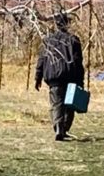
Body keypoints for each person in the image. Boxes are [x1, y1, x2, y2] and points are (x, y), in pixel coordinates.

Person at [34, 13, 85, 141]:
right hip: (70, 75)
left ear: (56, 25)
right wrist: (81, 81)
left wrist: (38, 77)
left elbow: (41, 60)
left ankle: (58, 128)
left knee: (56, 104)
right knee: (70, 104)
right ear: (67, 24)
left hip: (54, 76)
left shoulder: (48, 41)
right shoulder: (74, 40)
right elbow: (78, 62)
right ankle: (64, 128)